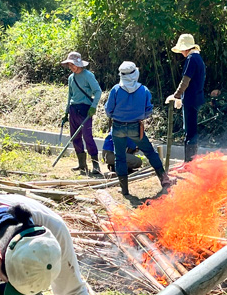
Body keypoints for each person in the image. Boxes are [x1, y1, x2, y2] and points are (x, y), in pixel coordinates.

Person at [104, 61, 171, 196]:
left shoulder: (116, 90)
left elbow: (108, 110)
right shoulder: (144, 90)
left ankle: (125, 191)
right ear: (135, 74)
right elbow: (148, 110)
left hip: (117, 127)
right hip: (136, 127)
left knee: (120, 157)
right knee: (150, 152)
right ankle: (164, 180)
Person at [166, 34, 206, 162]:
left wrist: (176, 96)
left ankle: (189, 162)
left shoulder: (191, 59)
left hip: (190, 99)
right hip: (196, 98)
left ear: (186, 48)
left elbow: (185, 81)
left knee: (190, 131)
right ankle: (190, 161)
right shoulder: (198, 58)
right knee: (191, 130)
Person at [60, 52, 102, 176]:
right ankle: (82, 165)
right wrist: (66, 112)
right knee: (75, 137)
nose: (71, 67)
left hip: (85, 109)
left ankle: (96, 165)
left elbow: (98, 91)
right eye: (69, 64)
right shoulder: (71, 78)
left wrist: (93, 107)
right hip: (74, 109)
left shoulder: (88, 75)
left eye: (72, 64)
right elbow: (70, 95)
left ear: (78, 64)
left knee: (88, 137)